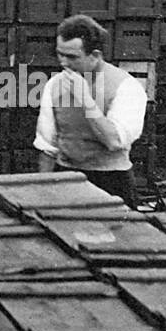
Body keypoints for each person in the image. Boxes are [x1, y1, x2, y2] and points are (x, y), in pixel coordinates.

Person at [34, 14, 146, 208]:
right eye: (60, 54)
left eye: (72, 57)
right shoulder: (54, 85)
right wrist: (44, 193)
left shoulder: (126, 87)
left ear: (95, 56)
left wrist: (86, 100)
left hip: (111, 182)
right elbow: (47, 146)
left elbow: (114, 141)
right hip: (67, 178)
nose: (63, 63)